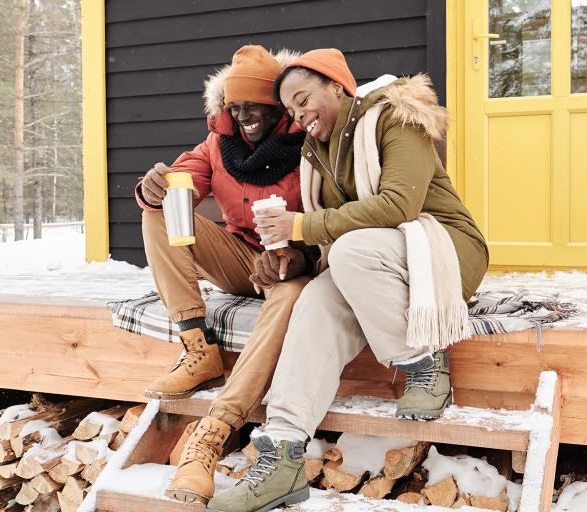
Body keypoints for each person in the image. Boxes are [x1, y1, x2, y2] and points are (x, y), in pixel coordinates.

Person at [205, 49, 489, 512]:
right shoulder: (317, 151)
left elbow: (398, 206)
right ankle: (282, 454)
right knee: (314, 300)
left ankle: (422, 363)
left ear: (336, 85)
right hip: (375, 266)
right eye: (292, 110)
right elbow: (330, 237)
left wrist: (300, 227)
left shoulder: (396, 117)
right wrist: (296, 256)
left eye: (304, 98)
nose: (299, 114)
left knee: (353, 250)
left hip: (444, 252)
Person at [135, 45, 315, 504]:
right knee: (157, 211)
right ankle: (198, 348)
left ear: (278, 103)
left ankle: (214, 430)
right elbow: (183, 183)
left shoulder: (311, 139)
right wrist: (157, 187)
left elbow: (334, 215)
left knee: (293, 297)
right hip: (239, 258)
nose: (243, 114)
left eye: (253, 104)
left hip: (296, 265)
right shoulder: (217, 142)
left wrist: (294, 255)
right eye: (234, 106)